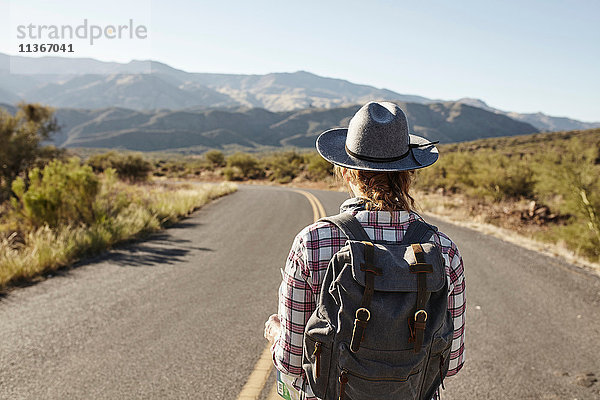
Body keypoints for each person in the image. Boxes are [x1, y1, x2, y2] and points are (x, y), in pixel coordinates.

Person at [264, 101, 465, 400]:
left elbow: (292, 361)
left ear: (346, 173)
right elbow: (451, 363)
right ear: (408, 174)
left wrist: (276, 333)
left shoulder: (314, 240)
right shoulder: (443, 250)